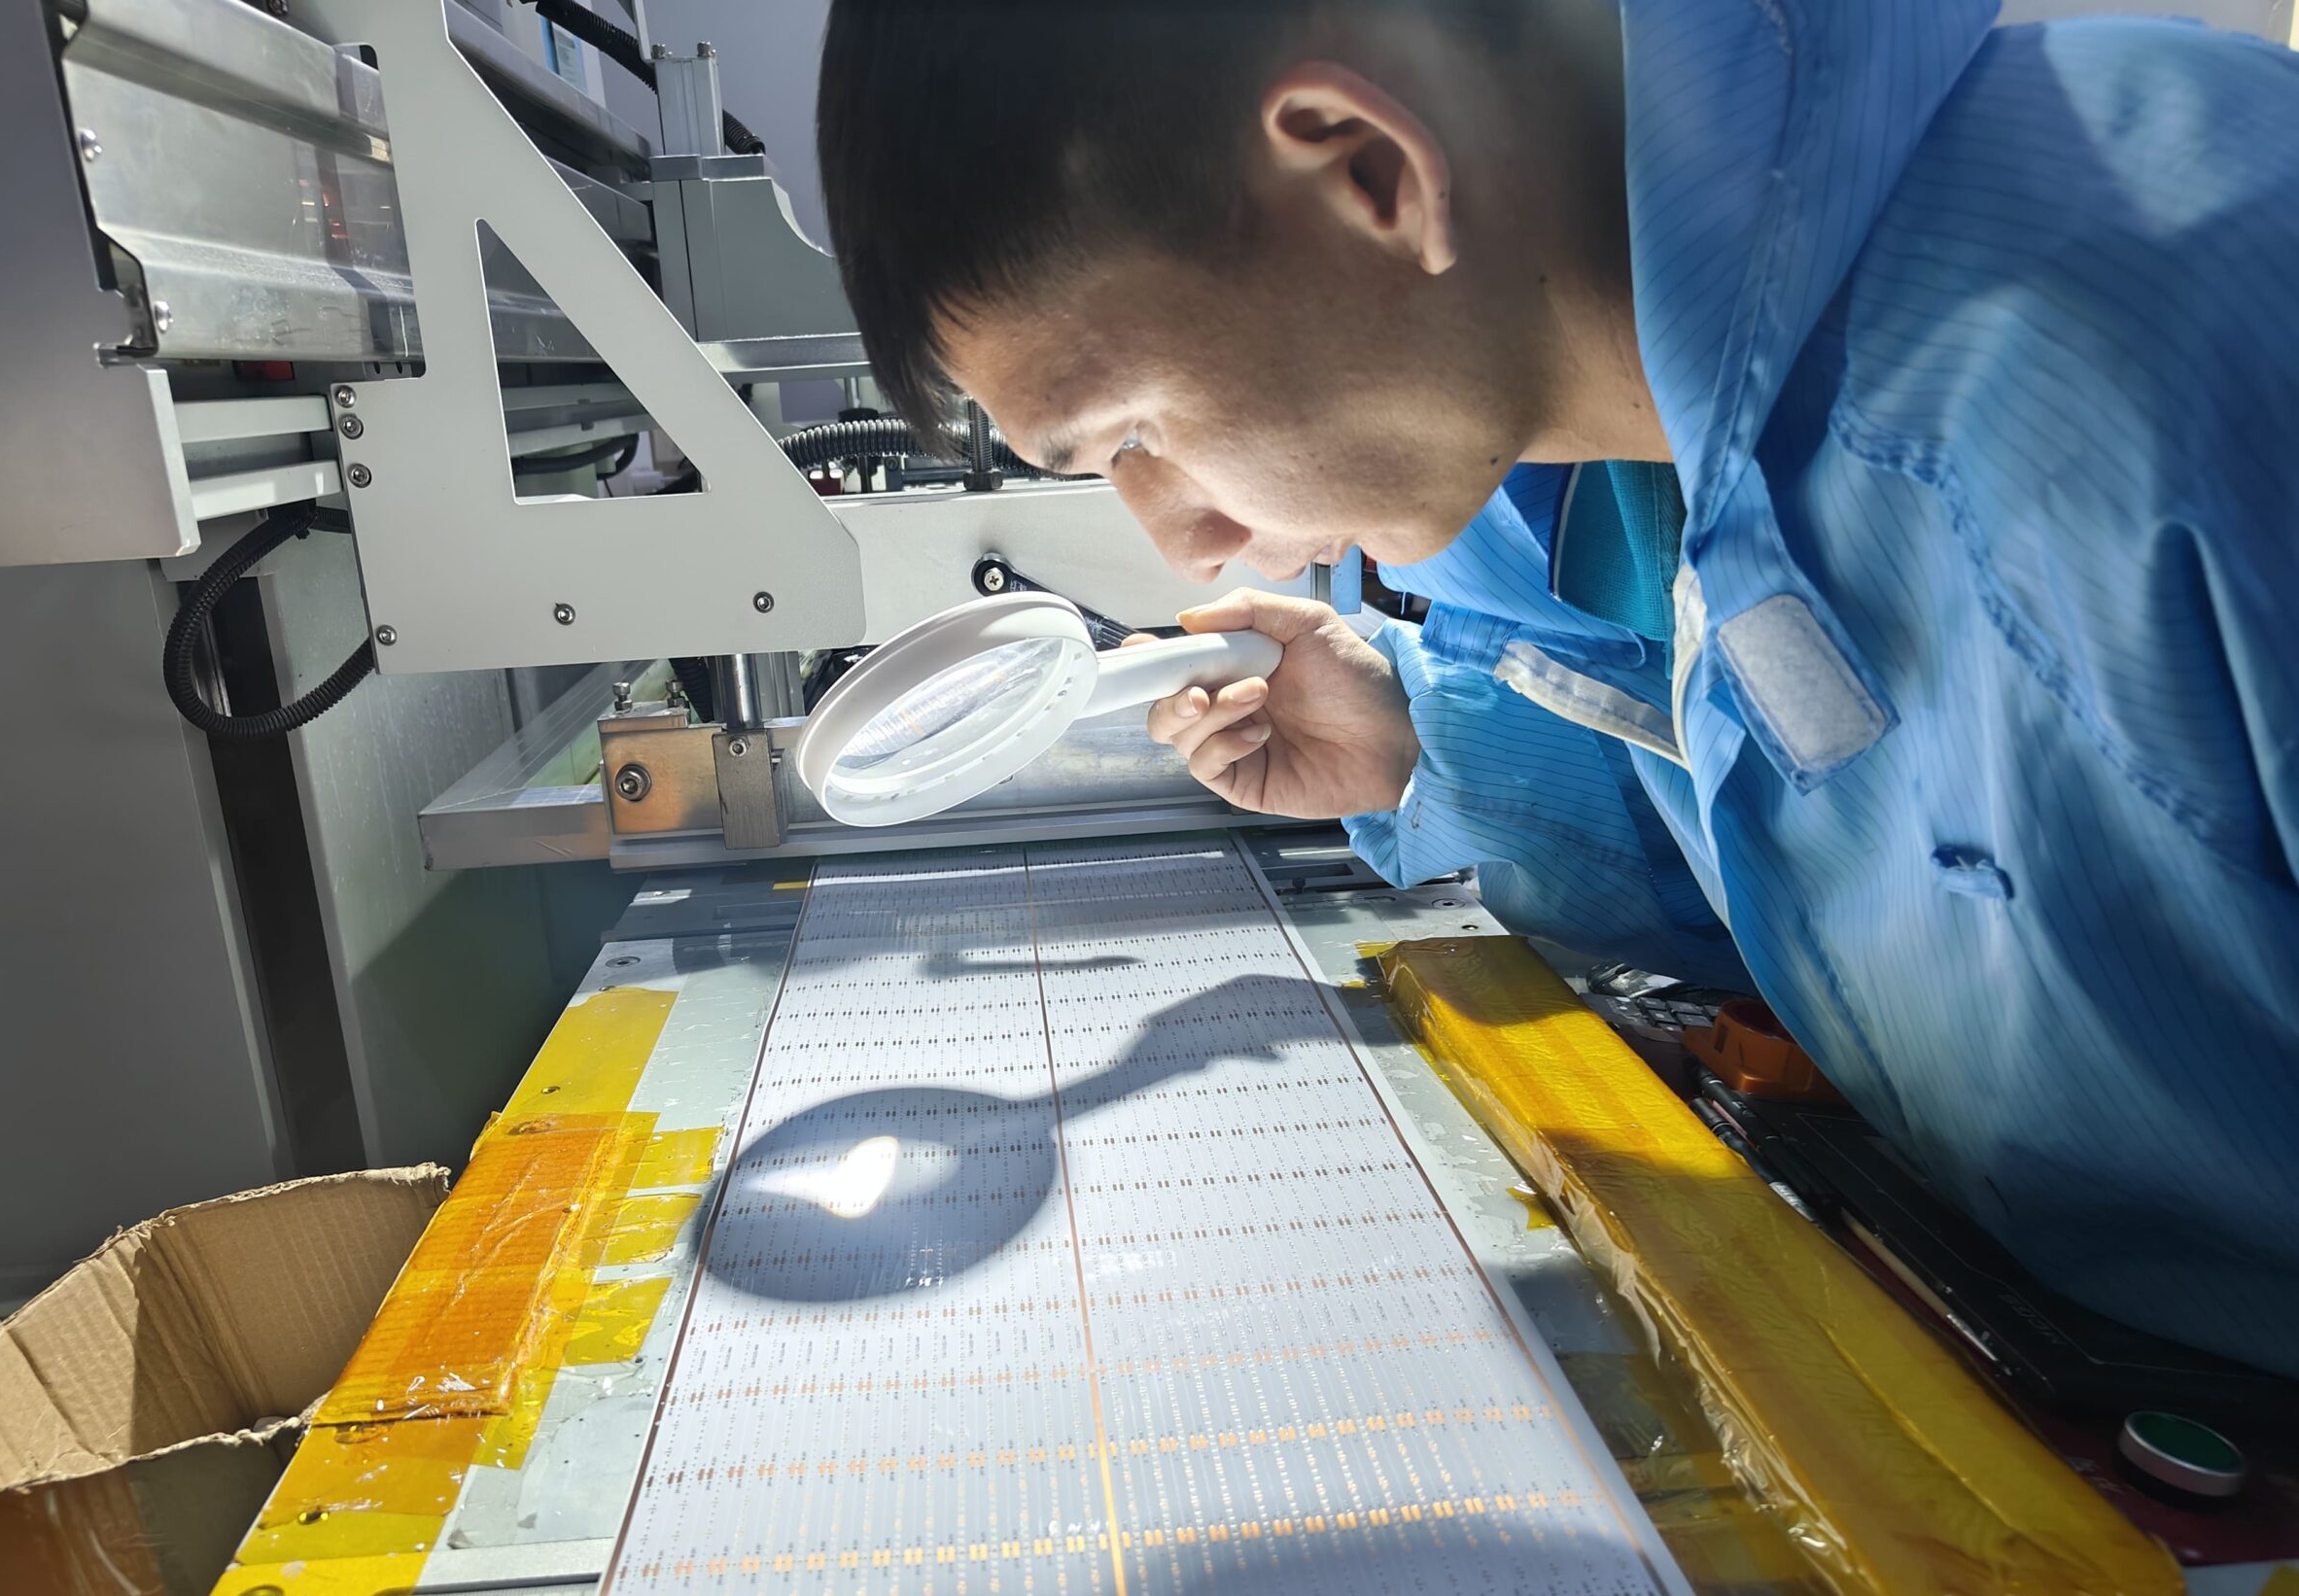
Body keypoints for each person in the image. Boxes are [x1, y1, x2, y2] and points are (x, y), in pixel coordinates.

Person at [813, 0, 2299, 1379]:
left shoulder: (2205, 332)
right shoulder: (1588, 471)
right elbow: (1832, 823)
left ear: (1369, 173)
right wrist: (1418, 741)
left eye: (1134, 427)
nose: (1177, 534)